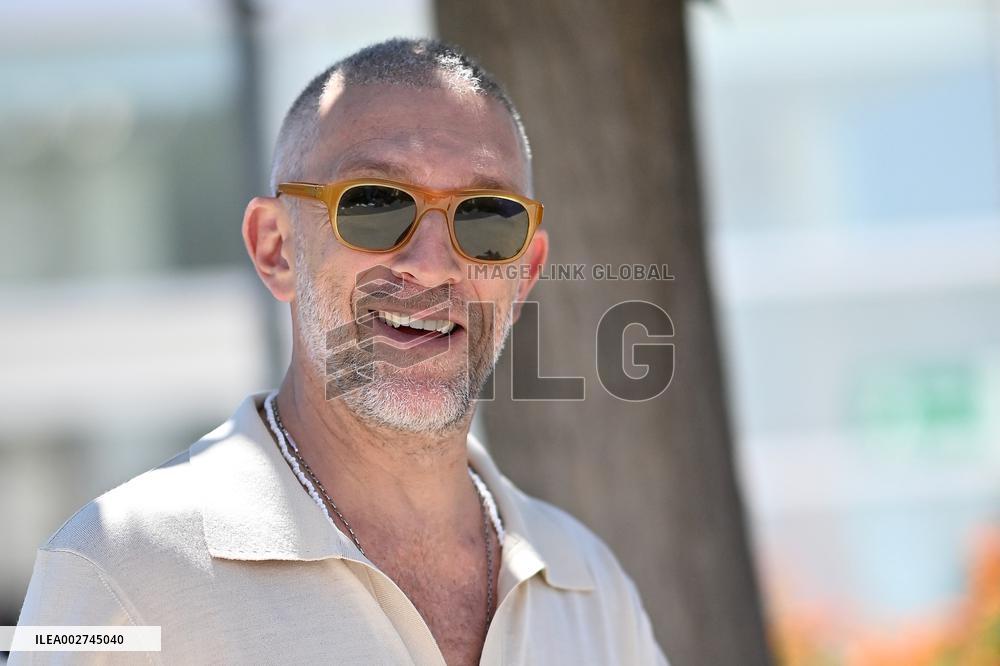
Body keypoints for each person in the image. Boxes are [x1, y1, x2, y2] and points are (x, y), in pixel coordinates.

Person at [11, 38, 668, 665]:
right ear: (275, 247)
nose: (432, 265)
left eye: (486, 218)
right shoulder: (122, 569)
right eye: (376, 205)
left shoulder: (589, 584)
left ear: (523, 273)